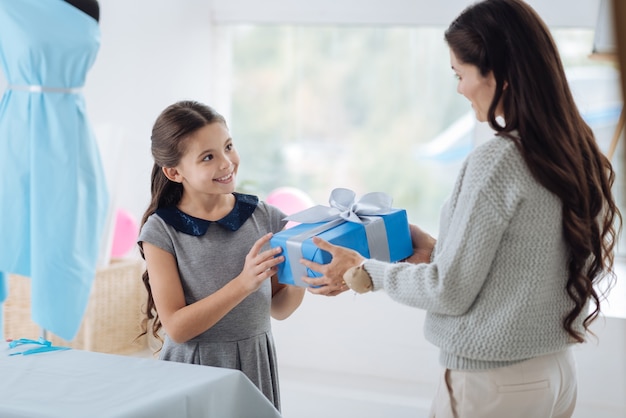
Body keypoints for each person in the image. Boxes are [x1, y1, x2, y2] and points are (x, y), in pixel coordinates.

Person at [300, 1, 622, 417]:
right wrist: (438, 250)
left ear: (500, 77)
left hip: (492, 386)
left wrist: (362, 270)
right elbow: (527, 262)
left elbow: (447, 292)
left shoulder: (498, 161)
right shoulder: (581, 153)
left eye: (461, 74)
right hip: (555, 375)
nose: (459, 88)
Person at [137, 100, 305, 411]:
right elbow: (177, 327)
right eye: (208, 157)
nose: (226, 162)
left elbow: (280, 309)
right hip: (192, 370)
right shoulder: (161, 231)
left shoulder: (265, 217)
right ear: (174, 172)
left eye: (228, 147)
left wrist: (301, 275)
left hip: (254, 364)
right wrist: (244, 283)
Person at [0, 0, 108, 340]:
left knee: (65, 234)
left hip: (69, 132)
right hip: (18, 129)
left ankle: (52, 339)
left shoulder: (87, 5)